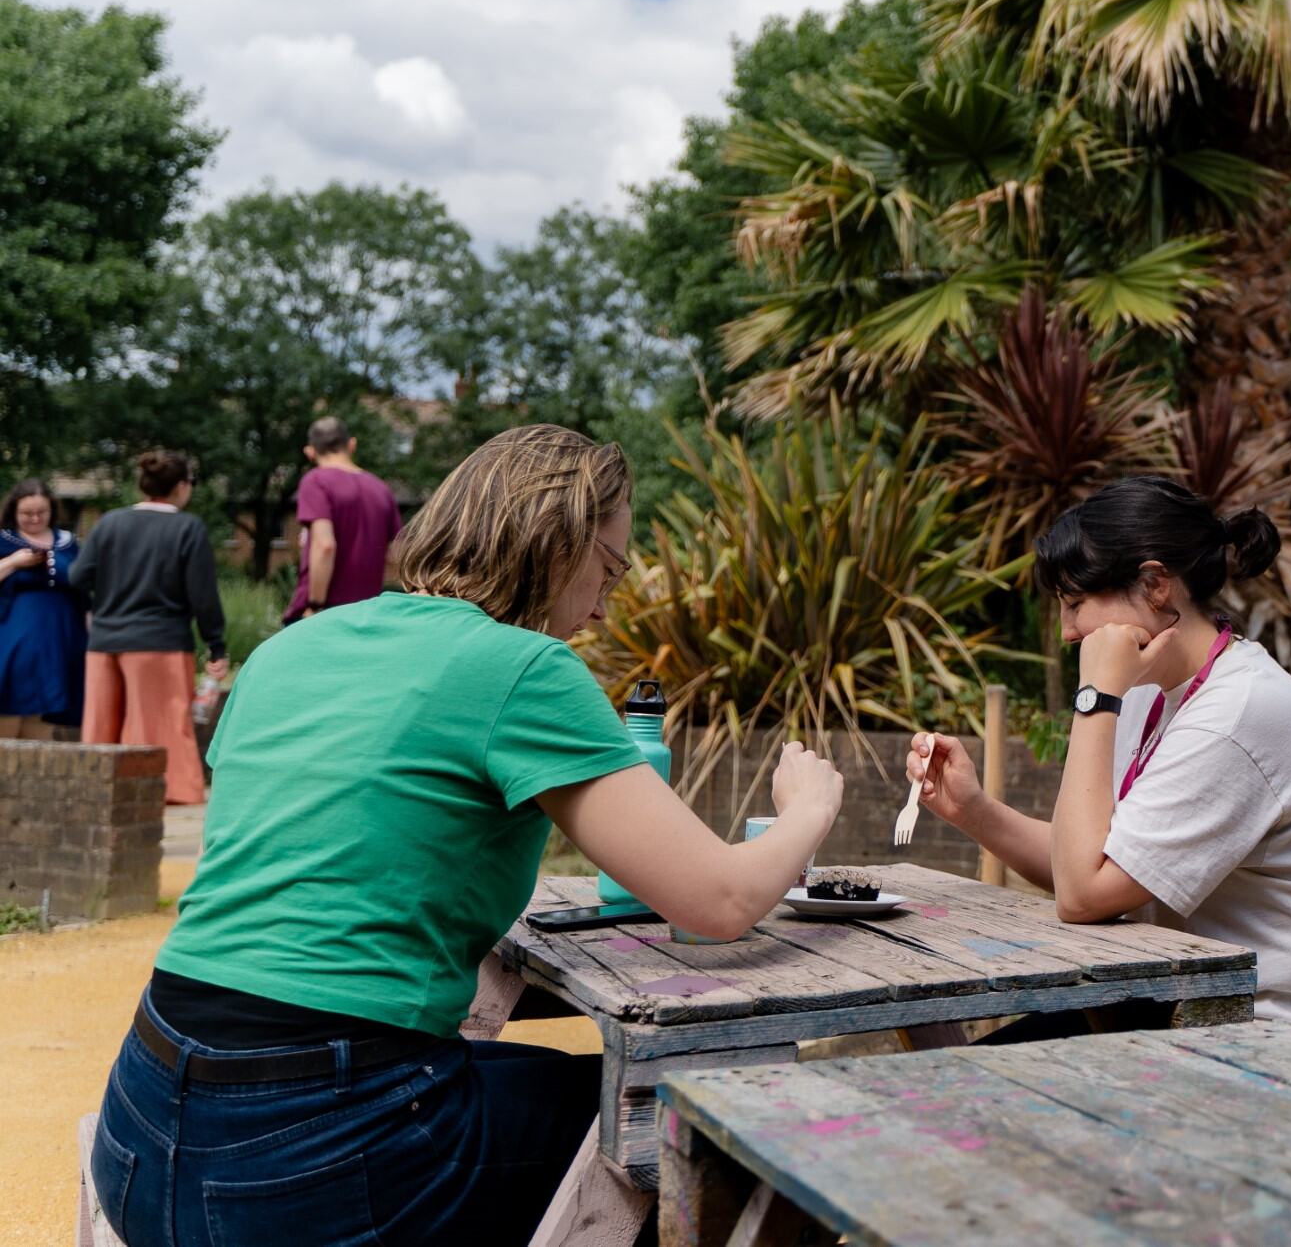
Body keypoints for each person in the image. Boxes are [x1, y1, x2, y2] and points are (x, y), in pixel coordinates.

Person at [90, 423, 846, 1247]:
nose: (602, 607)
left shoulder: (287, 649)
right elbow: (719, 899)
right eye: (610, 569)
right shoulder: (522, 666)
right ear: (559, 539)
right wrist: (808, 805)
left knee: (561, 1088)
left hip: (142, 1121)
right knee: (731, 1123)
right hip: (308, 1158)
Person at [906, 476, 1291, 1019]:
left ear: (1155, 585)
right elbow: (1090, 861)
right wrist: (974, 810)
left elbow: (1082, 896)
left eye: (1076, 603)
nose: (1066, 631)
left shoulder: (1238, 712)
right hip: (1172, 1009)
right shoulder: (1148, 689)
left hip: (1273, 1030)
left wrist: (1095, 698)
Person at [70, 450, 224, 805]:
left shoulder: (109, 523)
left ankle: (94, 797)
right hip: (160, 642)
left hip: (105, 642)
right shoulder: (187, 528)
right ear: (182, 487)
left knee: (99, 731)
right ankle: (166, 801)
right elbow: (203, 596)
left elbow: (78, 576)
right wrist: (215, 645)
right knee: (162, 728)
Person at [283, 415, 403, 622]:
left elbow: (325, 544)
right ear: (351, 444)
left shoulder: (316, 481)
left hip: (327, 611)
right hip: (365, 614)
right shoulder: (381, 489)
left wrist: (315, 606)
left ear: (310, 452)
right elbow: (398, 553)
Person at [0, 479, 85, 736]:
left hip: (60, 637)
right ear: (14, 511)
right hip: (14, 633)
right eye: (27, 513)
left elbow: (84, 585)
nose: (35, 519)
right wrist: (13, 562)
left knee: (48, 705)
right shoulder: (5, 541)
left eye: (41, 513)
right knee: (12, 700)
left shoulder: (68, 544)